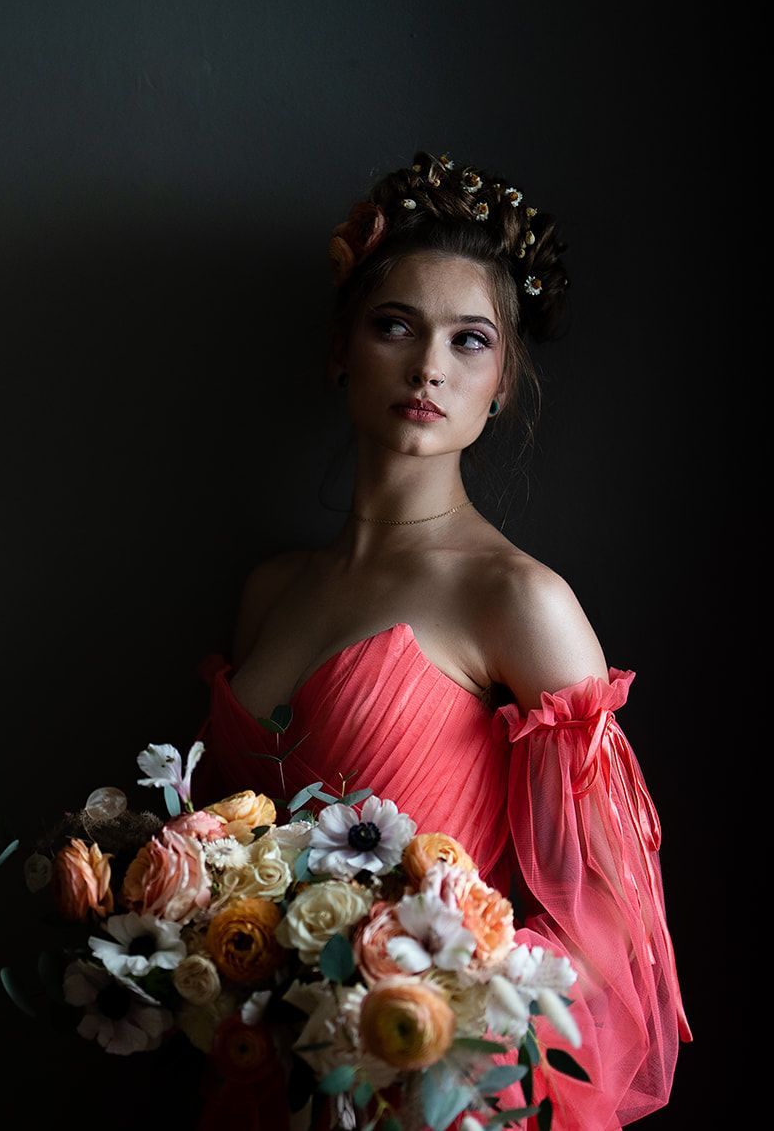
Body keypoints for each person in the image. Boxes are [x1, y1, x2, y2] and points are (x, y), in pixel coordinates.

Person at [188, 150, 692, 1129]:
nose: (428, 367)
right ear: (341, 348)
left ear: (502, 380)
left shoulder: (518, 598)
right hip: (254, 1082)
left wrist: (425, 1038)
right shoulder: (269, 590)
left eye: (469, 341)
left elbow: (607, 930)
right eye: (395, 326)